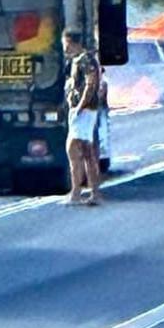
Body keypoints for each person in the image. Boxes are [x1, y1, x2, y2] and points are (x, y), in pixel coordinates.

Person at [62, 31, 102, 205]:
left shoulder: (85, 60)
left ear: (71, 42)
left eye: (65, 43)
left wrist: (80, 106)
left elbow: (90, 83)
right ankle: (91, 193)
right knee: (86, 152)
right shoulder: (77, 60)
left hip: (84, 112)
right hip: (81, 111)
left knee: (76, 150)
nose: (64, 47)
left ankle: (77, 193)